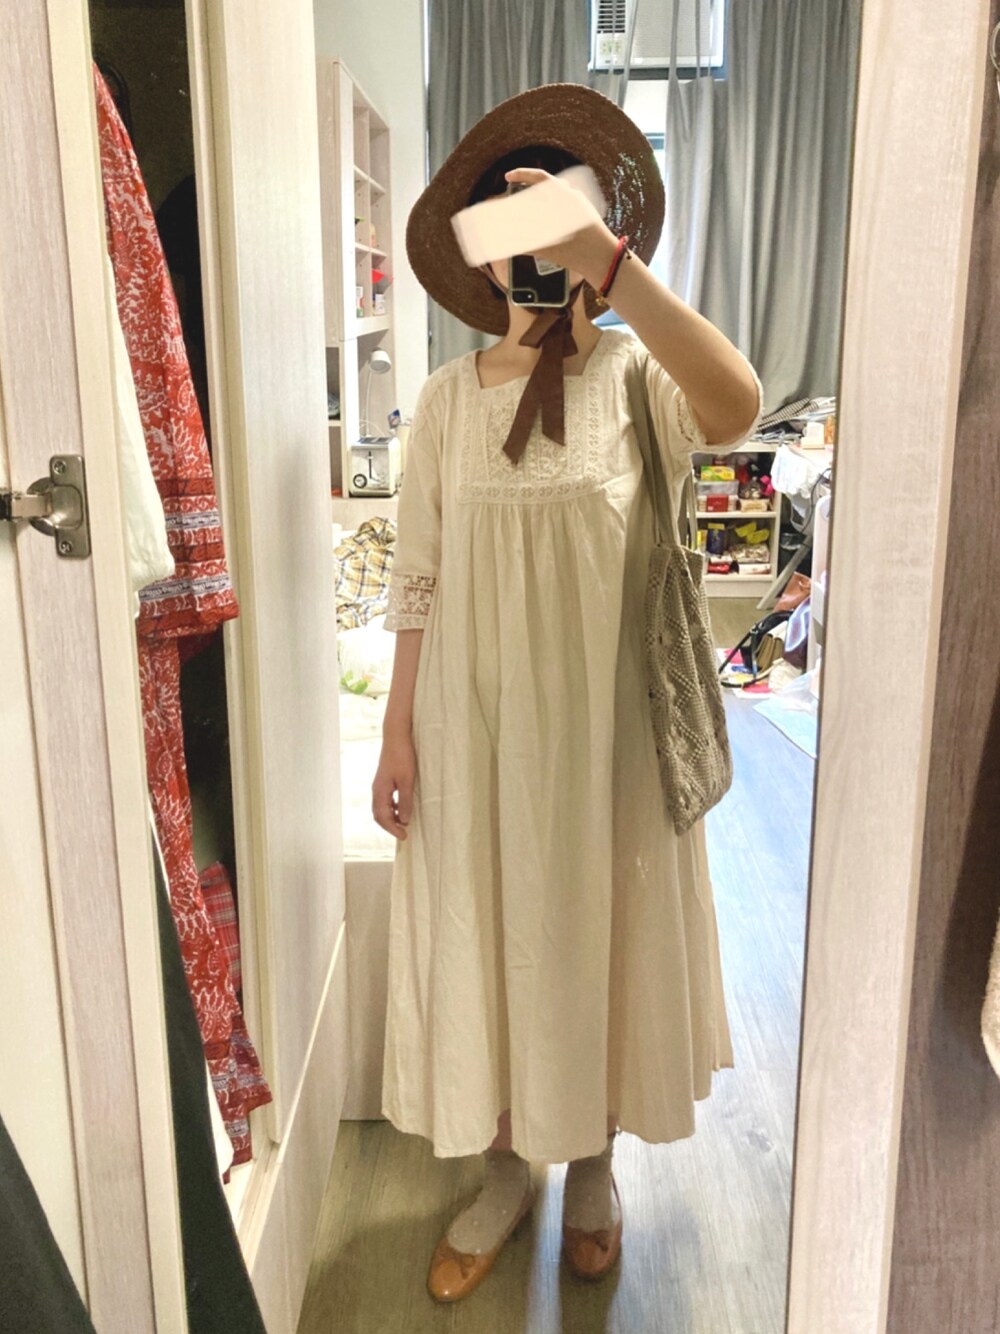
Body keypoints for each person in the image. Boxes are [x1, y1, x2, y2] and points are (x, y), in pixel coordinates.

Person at [372, 83, 762, 1303]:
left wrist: (611, 266)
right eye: (511, 227)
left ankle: (590, 1159)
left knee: (594, 926)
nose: (531, 252)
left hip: (607, 737)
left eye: (554, 223)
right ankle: (505, 1167)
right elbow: (418, 576)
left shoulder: (639, 381)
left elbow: (738, 405)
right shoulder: (447, 402)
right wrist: (396, 730)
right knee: (492, 930)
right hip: (475, 730)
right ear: (480, 254)